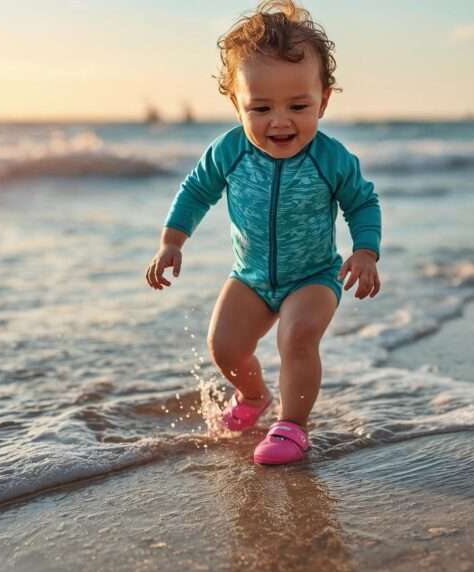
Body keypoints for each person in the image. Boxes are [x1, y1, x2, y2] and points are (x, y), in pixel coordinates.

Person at [144, 0, 382, 465]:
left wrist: (366, 252)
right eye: (260, 107)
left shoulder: (330, 158)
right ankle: (254, 397)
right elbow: (195, 192)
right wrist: (172, 241)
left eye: (298, 106)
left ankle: (292, 426)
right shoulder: (229, 152)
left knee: (297, 336)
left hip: (314, 275)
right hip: (250, 277)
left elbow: (361, 202)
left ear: (324, 100)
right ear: (235, 103)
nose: (279, 120)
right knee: (225, 347)